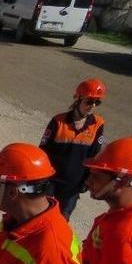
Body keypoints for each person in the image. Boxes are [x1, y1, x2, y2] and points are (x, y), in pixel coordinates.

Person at [39, 78, 107, 220]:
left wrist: (88, 180)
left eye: (97, 102)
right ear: (78, 100)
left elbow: (94, 156)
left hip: (74, 184)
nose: (92, 106)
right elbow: (43, 150)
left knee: (62, 220)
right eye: (89, 101)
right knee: (41, 215)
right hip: (51, 180)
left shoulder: (98, 124)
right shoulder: (58, 121)